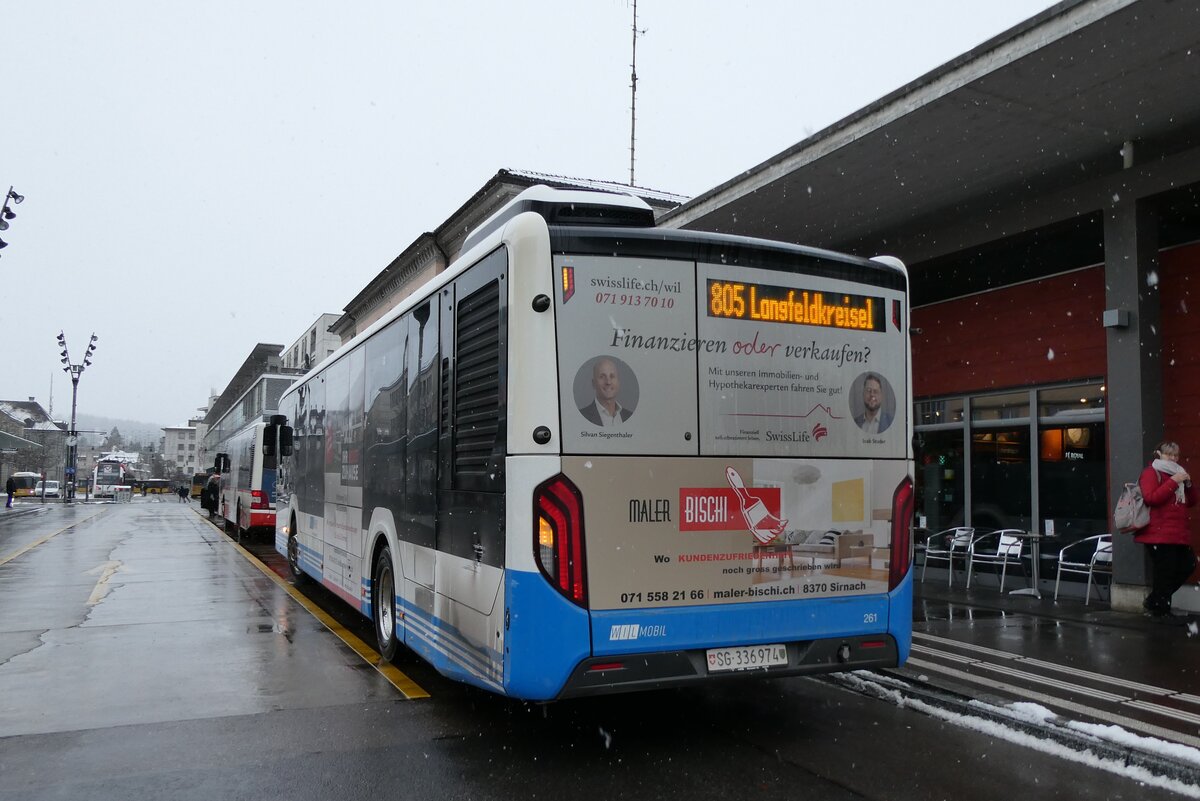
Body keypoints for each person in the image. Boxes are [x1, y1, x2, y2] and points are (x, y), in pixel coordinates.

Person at [1137, 441, 1198, 618]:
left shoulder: (1179, 473)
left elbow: (1192, 501)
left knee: (1188, 564)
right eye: (1168, 454)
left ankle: (1156, 600)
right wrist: (1173, 481)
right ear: (1159, 454)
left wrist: (1187, 484)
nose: (1172, 458)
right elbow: (1151, 498)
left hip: (1177, 532)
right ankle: (1160, 609)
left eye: (1175, 455)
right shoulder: (1151, 472)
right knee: (1166, 571)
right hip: (1158, 532)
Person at [579, 357, 634, 427]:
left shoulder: (629, 416)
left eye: (612, 376)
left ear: (618, 382)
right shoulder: (582, 416)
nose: (608, 382)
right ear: (593, 383)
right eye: (602, 377)